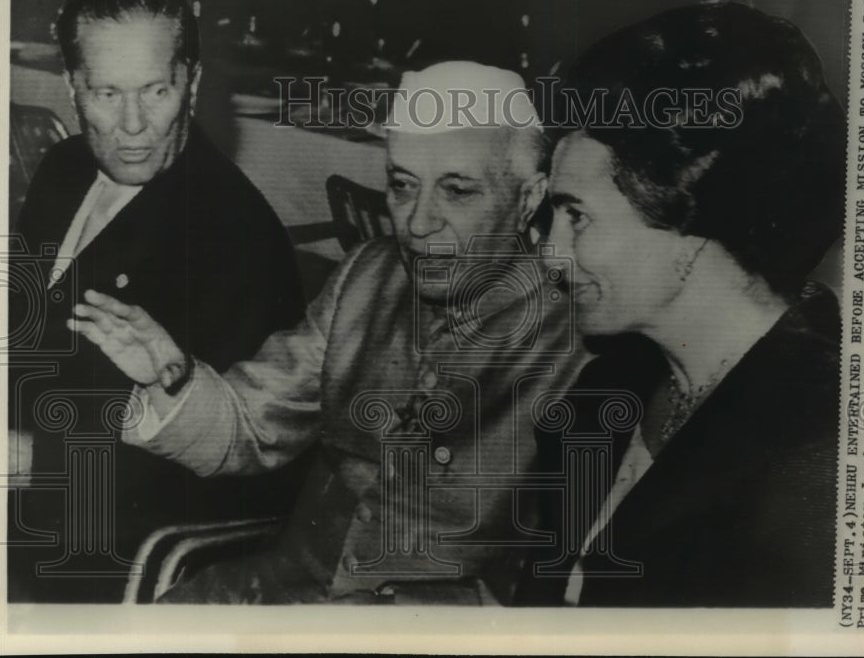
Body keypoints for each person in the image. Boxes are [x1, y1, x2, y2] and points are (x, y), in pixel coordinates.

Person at [67, 61, 588, 604]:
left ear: (530, 199)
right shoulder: (367, 277)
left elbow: (556, 582)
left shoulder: (577, 337)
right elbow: (251, 423)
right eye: (402, 185)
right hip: (277, 596)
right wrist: (172, 377)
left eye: (457, 191)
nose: (417, 222)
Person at [516, 1, 845, 607]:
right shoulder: (606, 391)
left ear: (691, 224)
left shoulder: (820, 455)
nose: (550, 255)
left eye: (576, 216)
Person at [8, 0, 307, 603]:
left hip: (116, 543)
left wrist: (28, 460)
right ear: (72, 87)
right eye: (108, 93)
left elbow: (218, 471)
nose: (135, 126)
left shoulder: (236, 235)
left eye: (157, 90)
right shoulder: (64, 170)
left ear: (192, 85)